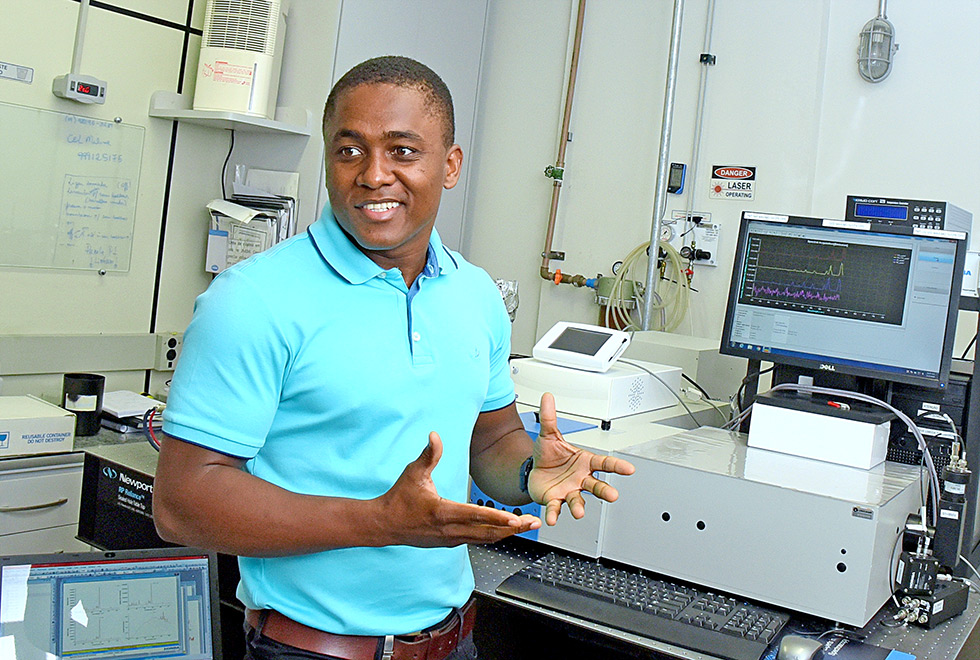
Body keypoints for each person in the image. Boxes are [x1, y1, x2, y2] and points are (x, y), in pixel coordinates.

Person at [153, 55, 635, 660]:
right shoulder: (251, 302)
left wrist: (527, 471)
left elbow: (490, 442)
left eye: (403, 151)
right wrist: (381, 520)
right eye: (349, 151)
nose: (374, 175)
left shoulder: (476, 294)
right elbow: (182, 504)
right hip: (310, 651)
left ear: (450, 164)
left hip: (453, 642)